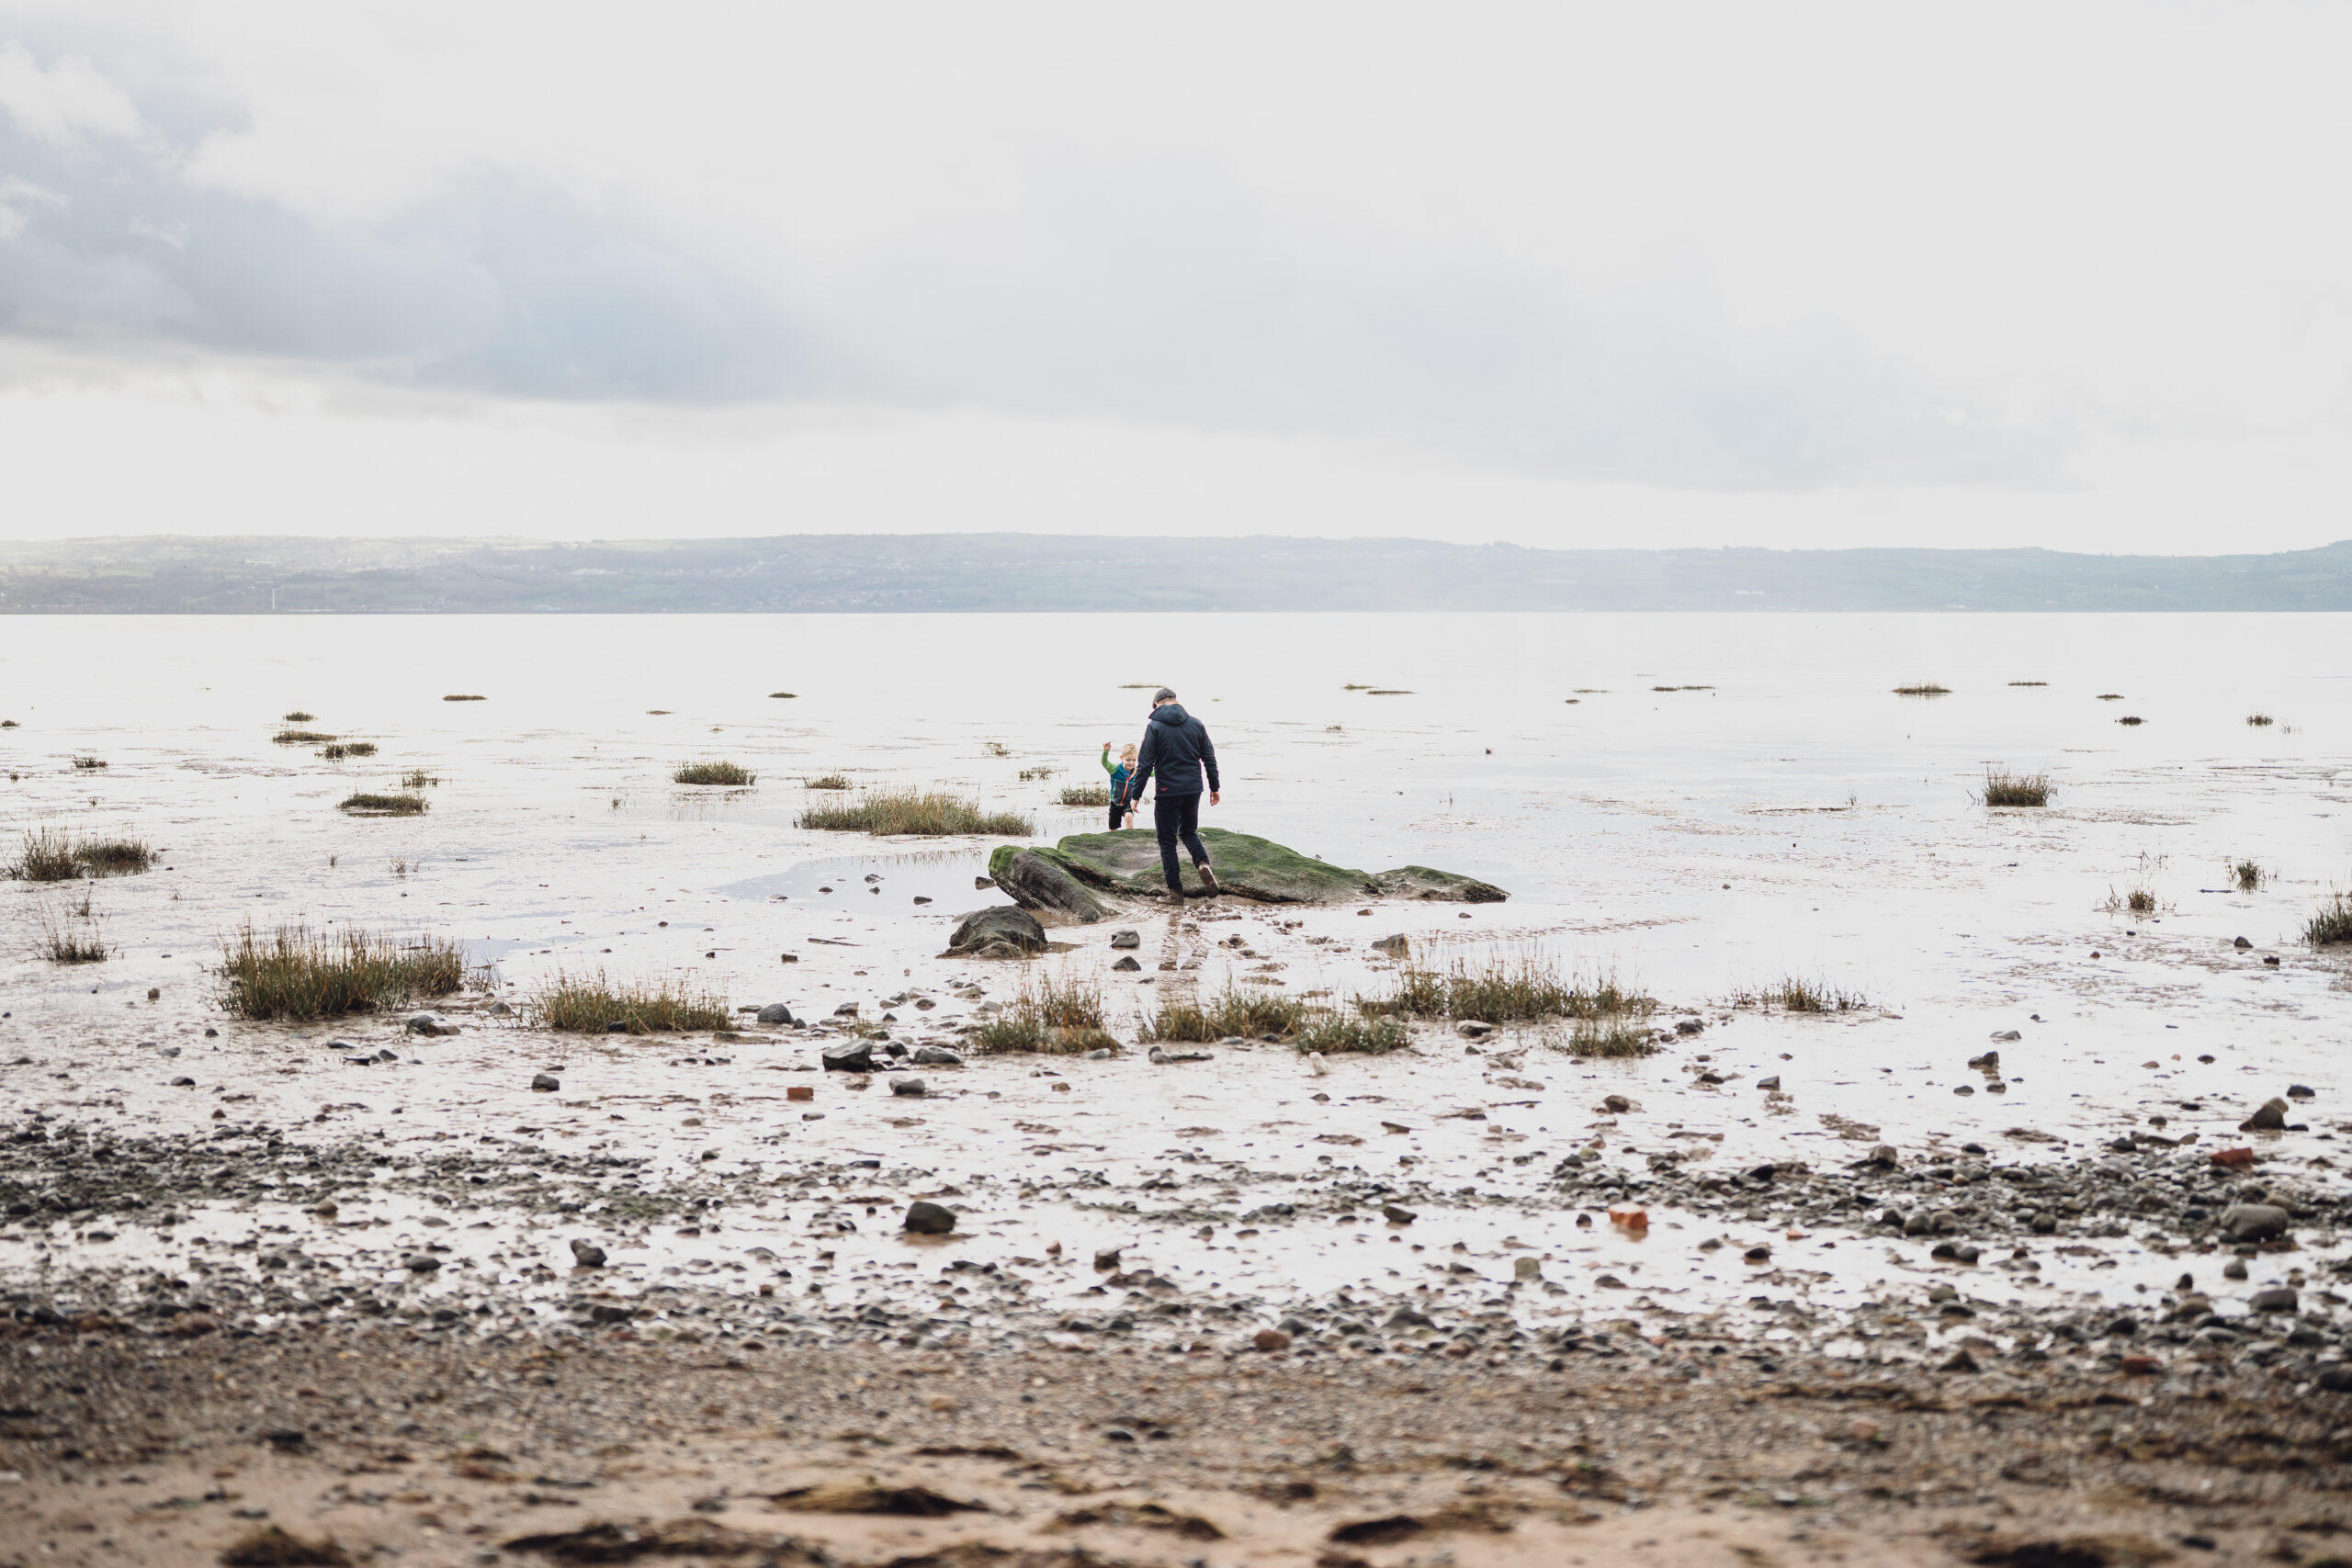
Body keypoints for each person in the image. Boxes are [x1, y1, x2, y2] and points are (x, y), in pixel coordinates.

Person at [1127, 686, 1220, 898]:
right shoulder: (1196, 724)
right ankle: (1203, 863)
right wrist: (1214, 787)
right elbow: (1209, 758)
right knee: (1188, 832)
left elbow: (1145, 764)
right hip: (1193, 789)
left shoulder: (1155, 726)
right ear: (1176, 701)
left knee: (1167, 841)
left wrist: (1135, 795)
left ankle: (1176, 893)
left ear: (1157, 704)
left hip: (1167, 791)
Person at [1099, 740, 1139, 831]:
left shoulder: (1137, 772)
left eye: (1134, 760)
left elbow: (1149, 772)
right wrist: (1106, 752)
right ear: (1121, 758)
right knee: (1113, 829)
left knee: (1129, 816)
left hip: (1128, 803)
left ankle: (1129, 838)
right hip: (1115, 803)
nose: (1131, 763)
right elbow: (1104, 762)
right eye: (1128, 760)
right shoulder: (1115, 770)